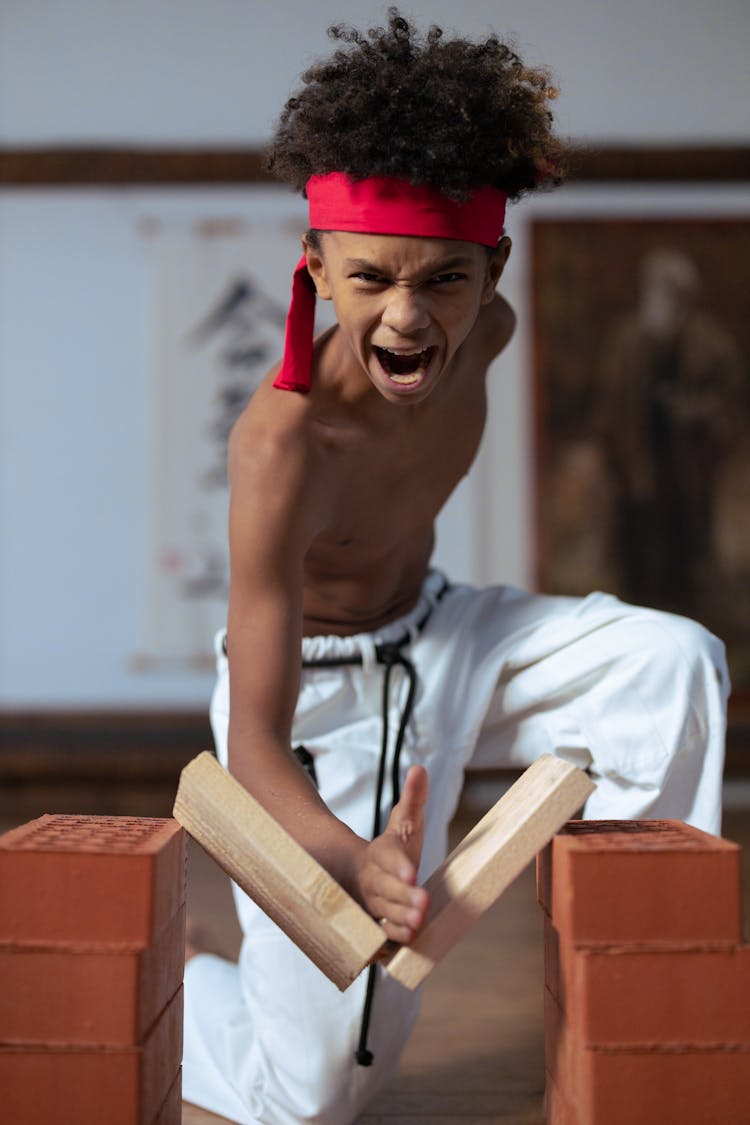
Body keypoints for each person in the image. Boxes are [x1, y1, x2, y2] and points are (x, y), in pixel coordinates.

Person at [182, 11, 729, 1124]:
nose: (407, 315)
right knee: (313, 1102)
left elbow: (461, 325)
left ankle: (629, 977)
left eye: (443, 280)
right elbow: (248, 745)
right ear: (317, 269)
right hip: (313, 703)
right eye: (372, 277)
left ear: (494, 269)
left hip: (444, 631)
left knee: (674, 661)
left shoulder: (491, 331)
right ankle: (192, 977)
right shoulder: (279, 447)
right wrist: (351, 857)